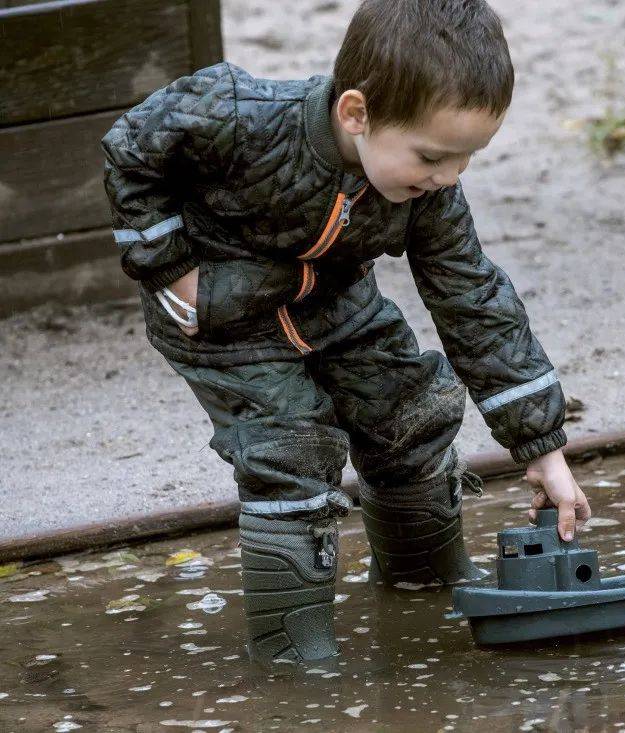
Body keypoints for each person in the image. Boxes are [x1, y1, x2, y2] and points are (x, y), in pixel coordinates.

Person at [101, 0, 591, 664]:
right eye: (432, 156)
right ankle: (293, 650)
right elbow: (133, 146)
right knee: (290, 444)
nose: (448, 178)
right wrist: (170, 270)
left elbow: (473, 300)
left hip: (335, 302)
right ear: (356, 114)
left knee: (409, 407)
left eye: (466, 160)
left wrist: (543, 448)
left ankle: (422, 582)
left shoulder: (428, 194)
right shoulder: (241, 115)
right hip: (221, 316)